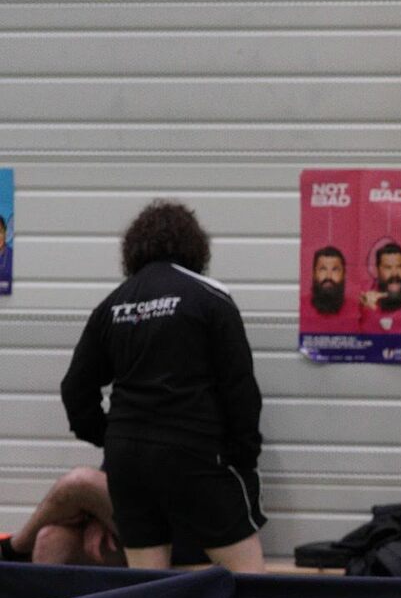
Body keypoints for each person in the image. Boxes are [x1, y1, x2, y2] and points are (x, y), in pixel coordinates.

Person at [58, 200, 267, 572]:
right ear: (195, 247)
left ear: (132, 250)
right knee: (250, 581)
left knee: (149, 589)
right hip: (193, 453)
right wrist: (242, 457)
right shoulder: (209, 296)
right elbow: (240, 389)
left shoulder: (112, 305)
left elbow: (75, 388)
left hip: (128, 461)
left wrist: (110, 437)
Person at [0, 467, 209, 567]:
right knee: (52, 539)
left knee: (79, 482)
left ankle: (12, 549)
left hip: (197, 531)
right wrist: (97, 513)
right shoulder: (142, 407)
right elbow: (120, 456)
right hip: (149, 522)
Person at [358, 241, 401, 334]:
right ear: (377, 270)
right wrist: (363, 307)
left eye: (400, 267)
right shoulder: (364, 295)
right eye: (388, 267)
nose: (394, 273)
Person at [299, 245, 359, 334]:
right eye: (323, 269)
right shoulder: (298, 307)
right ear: (314, 273)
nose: (328, 276)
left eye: (335, 270)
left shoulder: (357, 309)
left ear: (344, 274)